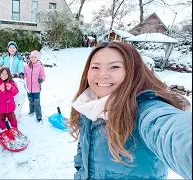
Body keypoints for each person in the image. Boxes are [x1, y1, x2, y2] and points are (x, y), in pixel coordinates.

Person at [70, 42, 192, 179]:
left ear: (132, 71)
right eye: (95, 67)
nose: (102, 75)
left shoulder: (144, 109)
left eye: (114, 67)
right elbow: (83, 150)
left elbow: (170, 131)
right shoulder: (88, 104)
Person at [0, 67, 19, 132]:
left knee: (13, 119)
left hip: (10, 107)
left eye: (6, 74)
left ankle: (15, 130)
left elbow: (16, 92)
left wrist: (11, 88)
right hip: (0, 107)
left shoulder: (11, 82)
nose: (4, 75)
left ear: (9, 75)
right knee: (1, 119)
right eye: (2, 73)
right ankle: (3, 130)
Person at [24, 50, 45, 123]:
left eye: (34, 57)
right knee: (30, 100)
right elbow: (24, 75)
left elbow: (43, 75)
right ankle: (31, 111)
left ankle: (39, 116)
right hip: (29, 88)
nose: (32, 58)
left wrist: (41, 79)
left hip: (36, 88)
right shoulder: (26, 66)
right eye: (31, 57)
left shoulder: (40, 67)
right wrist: (20, 75)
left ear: (37, 58)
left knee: (36, 102)